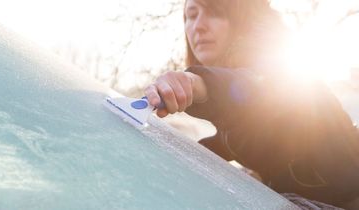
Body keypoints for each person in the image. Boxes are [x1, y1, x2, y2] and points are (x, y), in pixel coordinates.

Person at [144, 0, 359, 208]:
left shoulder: (276, 66)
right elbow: (241, 136)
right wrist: (180, 154)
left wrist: (197, 83)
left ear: (242, 16)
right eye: (191, 16)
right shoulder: (239, 102)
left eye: (215, 11)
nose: (198, 26)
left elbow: (257, 90)